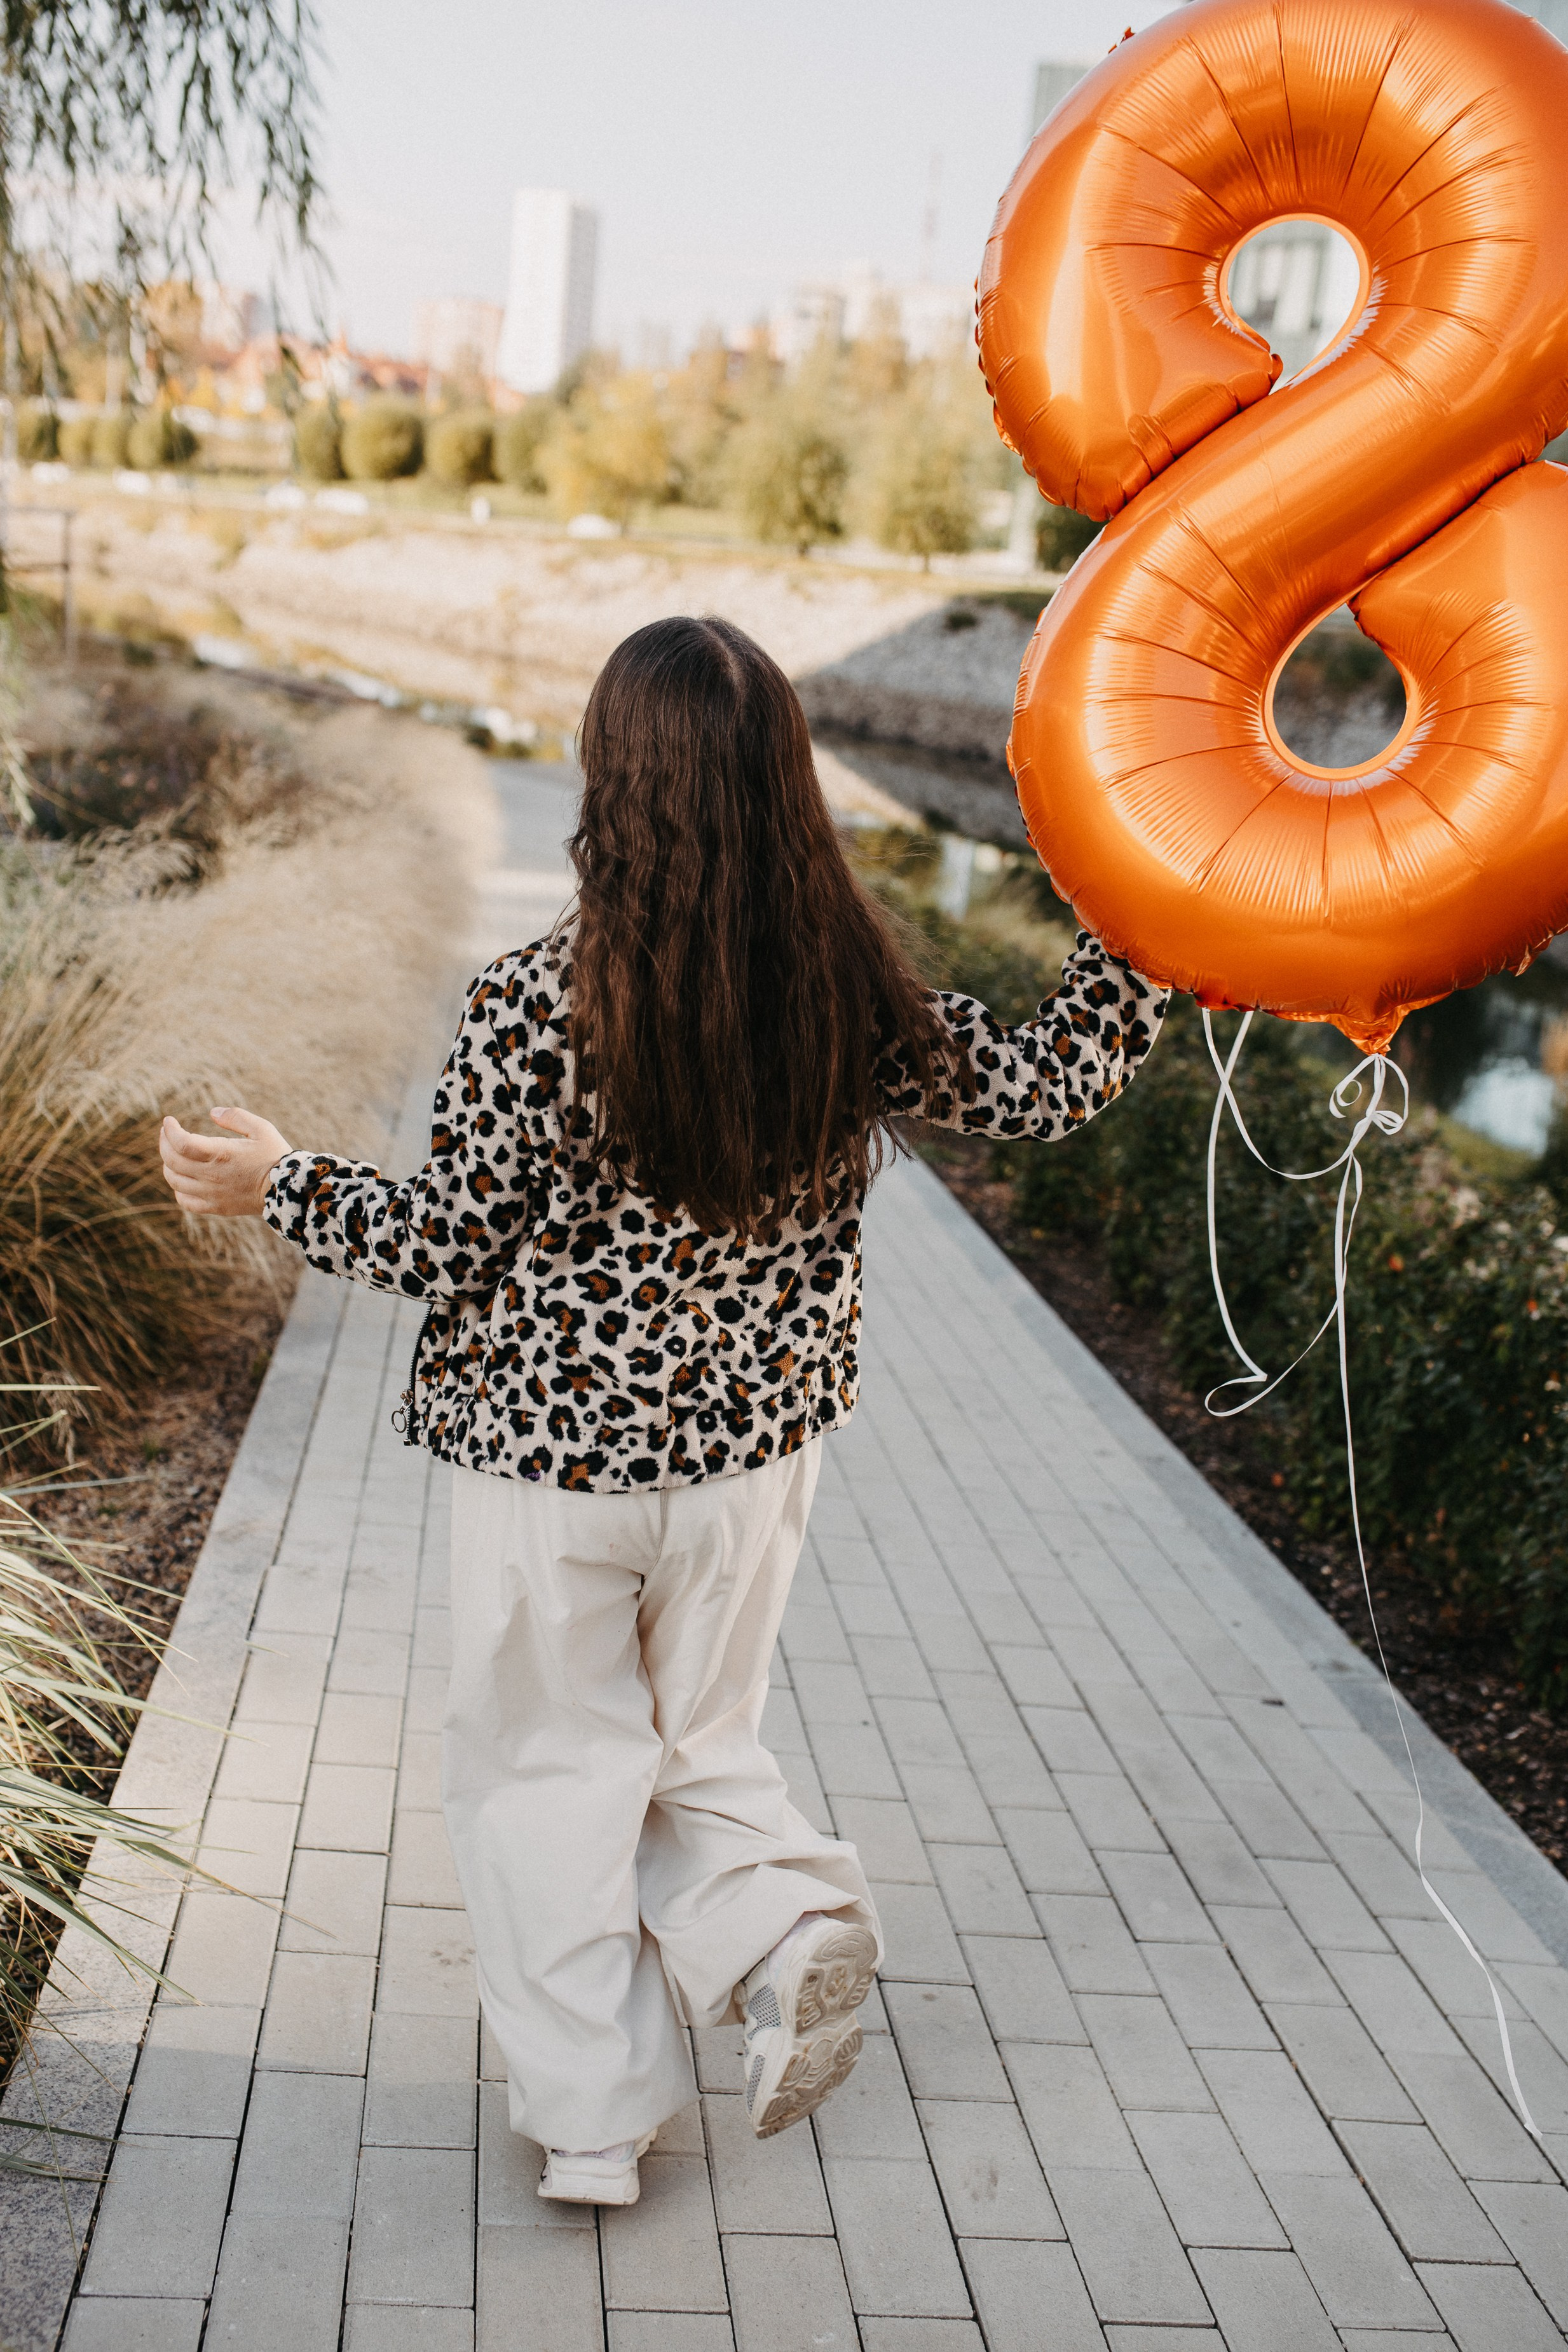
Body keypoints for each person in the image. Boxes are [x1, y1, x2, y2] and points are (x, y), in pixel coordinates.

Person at [160, 614, 1168, 2208]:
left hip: (550, 1467)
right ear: (785, 781)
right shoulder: (851, 986)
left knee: (545, 1768)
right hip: (754, 1463)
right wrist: (1144, 900)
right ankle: (781, 1926)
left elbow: (443, 1242)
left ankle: (596, 2123)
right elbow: (1048, 1081)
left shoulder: (531, 1004)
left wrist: (276, 1179)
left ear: (606, 778)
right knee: (699, 1738)